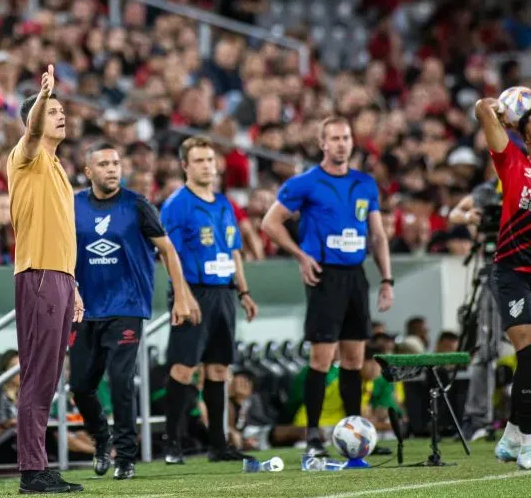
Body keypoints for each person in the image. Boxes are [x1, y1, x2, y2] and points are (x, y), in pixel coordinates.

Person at [261, 116, 394, 459]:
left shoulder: (365, 184)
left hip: (355, 275)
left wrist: (387, 280)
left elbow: (377, 236)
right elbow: (270, 222)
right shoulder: (305, 183)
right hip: (325, 277)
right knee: (322, 359)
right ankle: (314, 437)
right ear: (322, 143)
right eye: (334, 138)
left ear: (352, 142)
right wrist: (300, 256)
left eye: (346, 137)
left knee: (354, 360)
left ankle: (355, 436)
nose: (341, 143)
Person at [71, 143, 195, 480]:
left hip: (127, 306)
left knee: (122, 379)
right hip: (85, 308)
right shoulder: (73, 205)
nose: (112, 169)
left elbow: (168, 251)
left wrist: (181, 296)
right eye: (104, 164)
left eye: (116, 163)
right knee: (81, 386)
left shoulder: (137, 205)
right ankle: (101, 439)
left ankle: (125, 456)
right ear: (88, 172)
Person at [475, 94, 531, 469]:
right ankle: (528, 446)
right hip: (511, 273)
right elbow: (482, 107)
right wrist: (510, 119)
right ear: (523, 136)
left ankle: (512, 433)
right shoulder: (511, 161)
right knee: (527, 354)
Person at [8, 65, 84, 495]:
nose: (61, 115)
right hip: (38, 276)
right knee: (37, 375)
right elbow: (34, 130)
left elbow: (62, 235)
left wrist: (74, 284)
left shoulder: (56, 168)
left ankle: (39, 464)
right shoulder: (27, 155)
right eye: (52, 110)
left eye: (61, 110)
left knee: (49, 377)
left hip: (58, 277)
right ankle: (31, 470)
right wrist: (42, 96)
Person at [159, 136, 256, 464]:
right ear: (185, 165)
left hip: (223, 292)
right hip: (193, 291)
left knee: (218, 369)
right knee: (184, 368)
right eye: (199, 160)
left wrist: (243, 291)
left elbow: (234, 251)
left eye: (210, 160)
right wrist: (182, 297)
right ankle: (172, 442)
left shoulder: (224, 204)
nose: (207, 166)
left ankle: (218, 443)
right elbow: (167, 253)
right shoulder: (177, 204)